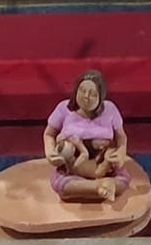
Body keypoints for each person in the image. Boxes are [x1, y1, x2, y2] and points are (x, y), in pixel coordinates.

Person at [42, 70, 130, 202]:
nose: (86, 97)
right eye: (82, 91)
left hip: (105, 167)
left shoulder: (110, 109)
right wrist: (50, 151)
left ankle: (101, 186)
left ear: (101, 96)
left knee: (122, 182)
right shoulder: (64, 108)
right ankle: (98, 188)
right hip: (73, 170)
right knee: (61, 185)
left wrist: (121, 152)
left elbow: (121, 137)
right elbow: (49, 134)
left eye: (93, 94)